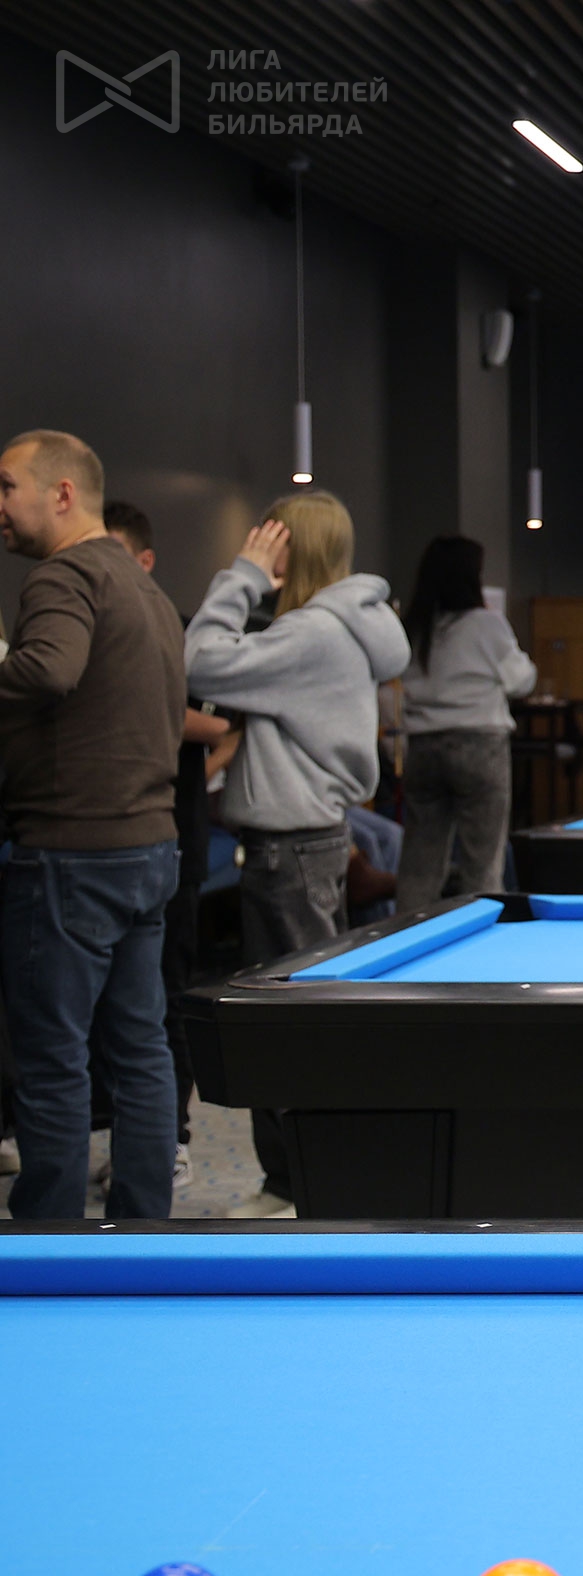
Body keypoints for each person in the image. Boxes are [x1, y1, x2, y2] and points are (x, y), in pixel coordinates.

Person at [185, 490, 410, 1215]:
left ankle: (299, 1185)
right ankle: (297, 1181)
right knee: (295, 1020)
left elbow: (198, 661)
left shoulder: (311, 632)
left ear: (288, 550)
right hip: (305, 846)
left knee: (286, 1028)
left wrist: (244, 575)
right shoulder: (344, 627)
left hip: (290, 852)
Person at [0, 432, 186, 1219]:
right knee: (140, 1050)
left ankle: (47, 1243)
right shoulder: (144, 588)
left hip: (71, 854)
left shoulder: (64, 575)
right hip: (149, 849)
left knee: (52, 1061)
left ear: (63, 493)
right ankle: (142, 1229)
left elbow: (49, 668)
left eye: (7, 487)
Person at [97, 500, 235, 1188]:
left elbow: (220, 724)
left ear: (146, 561)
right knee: (115, 1005)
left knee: (168, 993)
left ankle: (171, 1139)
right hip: (108, 838)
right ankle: (131, 1139)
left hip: (174, 837)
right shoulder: (90, 625)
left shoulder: (175, 630)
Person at [395, 536, 536, 909]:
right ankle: (483, 936)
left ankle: (408, 931)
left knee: (419, 862)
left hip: (423, 747)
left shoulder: (413, 626)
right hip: (479, 746)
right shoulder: (486, 624)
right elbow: (522, 681)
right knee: (483, 861)